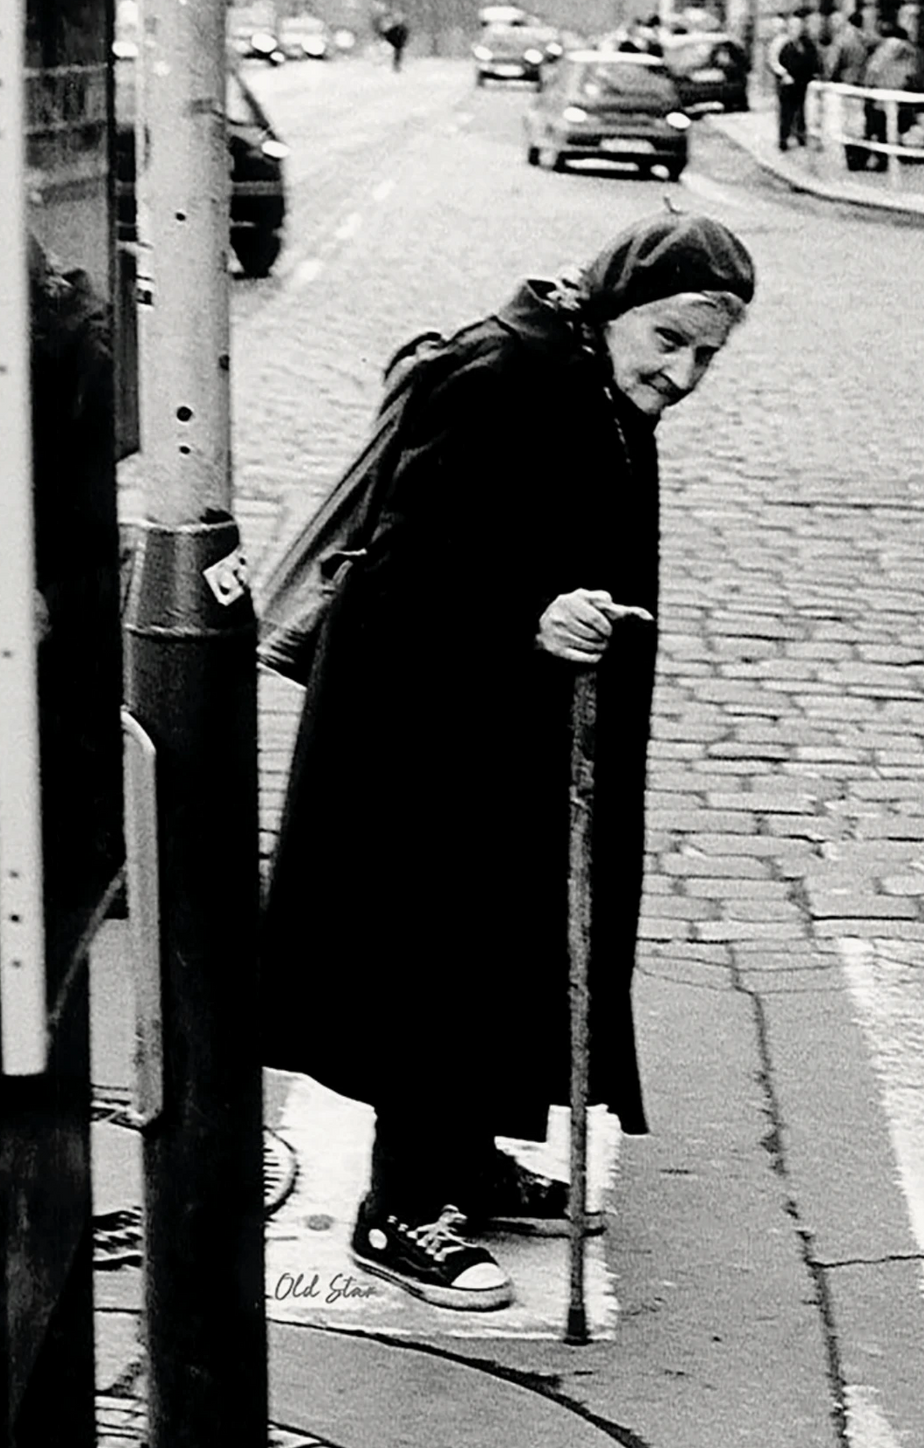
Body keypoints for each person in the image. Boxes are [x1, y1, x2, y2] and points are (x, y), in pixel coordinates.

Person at [261, 214, 759, 1312]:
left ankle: (465, 1156)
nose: (679, 373)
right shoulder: (499, 374)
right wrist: (526, 621)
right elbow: (401, 571)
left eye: (704, 357)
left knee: (506, 940)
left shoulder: (587, 373)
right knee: (440, 948)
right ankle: (399, 1208)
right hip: (428, 733)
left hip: (516, 723)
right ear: (615, 304)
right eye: (669, 339)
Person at [861, 20, 915, 163]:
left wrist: (868, 88)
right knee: (891, 126)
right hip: (898, 94)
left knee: (876, 127)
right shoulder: (908, 51)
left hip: (880, 94)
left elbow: (873, 70)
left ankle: (879, 157)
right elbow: (910, 74)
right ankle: (887, 155)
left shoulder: (884, 49)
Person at [826, 9, 873, 169]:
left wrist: (830, 79)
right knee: (861, 123)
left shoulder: (842, 39)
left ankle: (852, 159)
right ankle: (861, 157)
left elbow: (833, 64)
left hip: (847, 85)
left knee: (848, 124)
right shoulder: (867, 38)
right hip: (864, 85)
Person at [769, 14, 819, 152]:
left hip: (802, 83)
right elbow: (774, 61)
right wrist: (783, 74)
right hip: (787, 84)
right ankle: (783, 139)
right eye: (793, 27)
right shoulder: (783, 44)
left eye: (799, 27)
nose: (796, 30)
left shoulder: (807, 44)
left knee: (801, 110)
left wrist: (813, 74)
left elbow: (813, 60)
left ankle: (800, 136)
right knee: (786, 113)